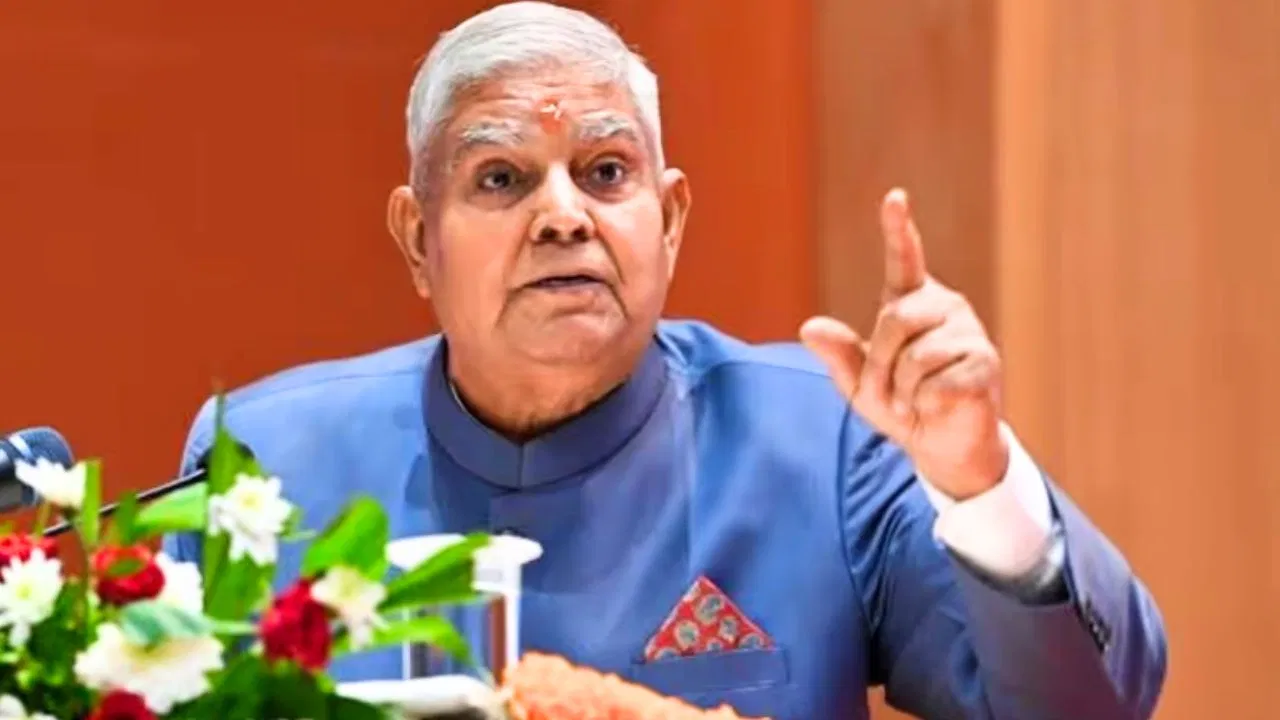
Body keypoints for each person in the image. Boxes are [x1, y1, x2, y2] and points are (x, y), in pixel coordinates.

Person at [164, 2, 1167, 718]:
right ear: (416, 238)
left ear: (670, 218)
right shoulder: (263, 465)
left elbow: (1092, 709)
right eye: (501, 178)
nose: (563, 215)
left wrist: (979, 483)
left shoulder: (826, 444)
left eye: (605, 171)